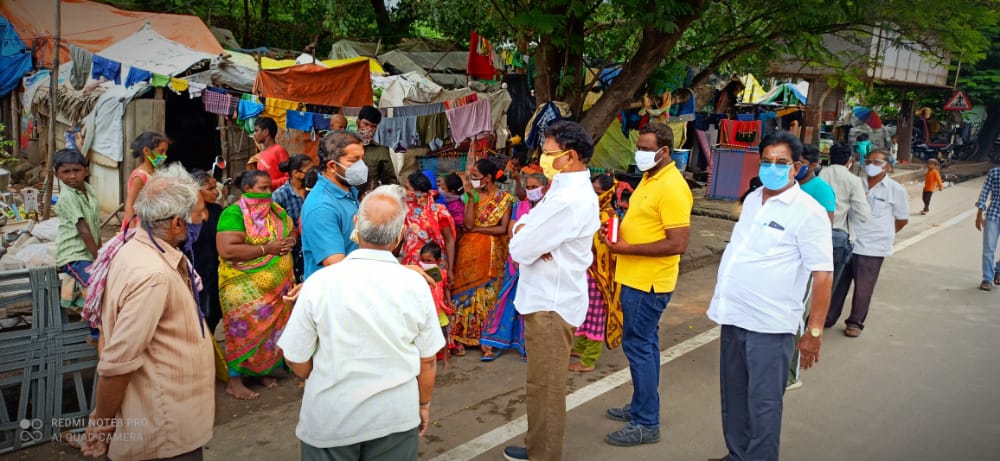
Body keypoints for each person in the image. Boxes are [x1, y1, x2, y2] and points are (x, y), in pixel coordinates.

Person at [277, 185, 444, 461]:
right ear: (401, 235)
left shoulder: (319, 283)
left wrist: (323, 376)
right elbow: (428, 360)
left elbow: (296, 358)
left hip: (330, 419)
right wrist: (423, 404)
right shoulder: (415, 284)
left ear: (356, 224)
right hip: (395, 418)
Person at [706, 132, 833, 461]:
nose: (772, 168)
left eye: (781, 162)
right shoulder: (752, 199)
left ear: (796, 167)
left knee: (763, 405)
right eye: (766, 161)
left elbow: (822, 275)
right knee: (733, 397)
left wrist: (814, 332)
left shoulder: (809, 212)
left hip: (770, 326)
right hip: (733, 316)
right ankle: (737, 454)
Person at [81, 164, 214, 461]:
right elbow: (117, 363)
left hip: (171, 417)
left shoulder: (136, 250)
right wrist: (102, 424)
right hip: (164, 431)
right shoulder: (152, 274)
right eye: (200, 210)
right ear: (178, 223)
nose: (204, 217)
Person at [502, 120, 600, 461]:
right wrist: (525, 232)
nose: (541, 160)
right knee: (539, 385)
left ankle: (543, 454)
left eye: (547, 153)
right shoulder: (561, 189)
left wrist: (525, 237)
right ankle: (536, 447)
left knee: (545, 388)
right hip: (545, 298)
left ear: (570, 156)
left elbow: (518, 249)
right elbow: (524, 228)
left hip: (551, 304)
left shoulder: (569, 199)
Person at [600, 121, 692, 447]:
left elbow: (677, 242)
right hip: (635, 276)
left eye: (646, 148)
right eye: (638, 147)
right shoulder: (651, 178)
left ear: (664, 151)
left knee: (638, 347)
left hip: (648, 283)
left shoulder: (673, 187)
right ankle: (641, 407)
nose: (639, 153)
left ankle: (646, 422)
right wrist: (618, 232)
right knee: (646, 345)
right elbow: (646, 223)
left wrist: (627, 248)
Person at [216, 170, 297, 400]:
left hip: (276, 289)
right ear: (248, 188)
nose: (268, 193)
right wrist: (267, 250)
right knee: (241, 332)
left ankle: (262, 371)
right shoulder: (233, 214)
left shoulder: (276, 211)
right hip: (243, 288)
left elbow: (290, 230)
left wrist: (290, 239)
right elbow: (228, 249)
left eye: (269, 188)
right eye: (263, 188)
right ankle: (235, 381)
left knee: (270, 333)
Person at [826, 150, 908, 337]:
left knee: (864, 287)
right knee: (838, 283)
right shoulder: (855, 183)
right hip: (849, 241)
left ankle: (855, 322)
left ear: (887, 166)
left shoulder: (895, 190)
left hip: (873, 246)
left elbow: (902, 219)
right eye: (869, 161)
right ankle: (828, 317)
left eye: (877, 162)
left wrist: (885, 234)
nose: (871, 165)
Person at [450, 159, 516, 357]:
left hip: (491, 252)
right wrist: (470, 198)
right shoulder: (470, 196)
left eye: (476, 177)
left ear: (487, 178)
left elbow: (503, 228)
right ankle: (459, 337)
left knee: (487, 295)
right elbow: (468, 225)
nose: (473, 180)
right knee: (463, 293)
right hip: (468, 251)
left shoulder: (505, 198)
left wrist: (480, 229)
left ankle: (485, 338)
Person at [481, 173, 549, 362]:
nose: (531, 190)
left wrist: (532, 248)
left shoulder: (550, 209)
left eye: (535, 186)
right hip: (517, 259)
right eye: (528, 186)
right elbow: (512, 231)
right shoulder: (520, 206)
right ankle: (495, 338)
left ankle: (529, 345)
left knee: (534, 302)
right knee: (509, 298)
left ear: (545, 188)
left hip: (538, 262)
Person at [570, 174, 621, 372]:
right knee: (582, 310)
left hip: (599, 274)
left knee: (595, 314)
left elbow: (609, 248)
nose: (593, 196)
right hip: (584, 270)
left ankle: (588, 360)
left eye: (597, 193)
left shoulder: (610, 217)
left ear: (607, 194)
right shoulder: (588, 212)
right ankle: (581, 348)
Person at [300, 131, 367, 280]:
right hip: (333, 294)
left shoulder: (349, 191)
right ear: (332, 166)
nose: (361, 166)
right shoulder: (322, 207)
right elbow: (337, 267)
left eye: (362, 159)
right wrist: (392, 272)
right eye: (354, 160)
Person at [54, 149, 101, 342]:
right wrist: (99, 258)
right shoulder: (67, 196)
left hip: (87, 253)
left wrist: (101, 253)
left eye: (76, 170)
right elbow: (84, 230)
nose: (72, 176)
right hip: (72, 255)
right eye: (66, 172)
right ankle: (95, 334)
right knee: (97, 288)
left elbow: (94, 226)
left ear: (86, 171)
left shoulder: (88, 191)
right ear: (57, 174)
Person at [190, 170, 224, 335]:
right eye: (210, 189)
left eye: (215, 187)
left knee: (215, 313)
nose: (215, 191)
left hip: (216, 270)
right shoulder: (187, 215)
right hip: (196, 271)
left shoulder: (217, 210)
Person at [401, 172, 457, 270]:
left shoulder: (439, 211)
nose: (404, 192)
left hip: (433, 266)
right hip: (411, 265)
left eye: (407, 188)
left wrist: (451, 270)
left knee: (433, 285)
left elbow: (449, 241)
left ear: (418, 192)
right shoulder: (405, 210)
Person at [273, 154, 314, 282]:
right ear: (296, 173)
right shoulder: (280, 196)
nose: (312, 174)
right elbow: (276, 227)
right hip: (293, 251)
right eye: (309, 171)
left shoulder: (313, 190)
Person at [123, 131, 170, 227]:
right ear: (146, 151)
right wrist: (133, 230)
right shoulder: (140, 177)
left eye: (165, 151)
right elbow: (129, 206)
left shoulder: (156, 172)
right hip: (140, 225)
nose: (164, 155)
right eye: (161, 151)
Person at [420, 242, 454, 369]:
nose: (425, 263)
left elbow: (446, 288)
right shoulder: (419, 273)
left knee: (444, 333)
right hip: (425, 309)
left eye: (429, 260)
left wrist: (449, 302)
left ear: (438, 260)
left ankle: (445, 360)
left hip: (439, 308)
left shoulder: (443, 273)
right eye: (423, 260)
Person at [357, 106, 399, 194]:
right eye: (366, 124)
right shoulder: (345, 145)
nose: (369, 129)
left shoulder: (381, 151)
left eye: (373, 126)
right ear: (358, 122)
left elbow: (390, 180)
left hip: (370, 198)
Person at [796, 144, 836, 222]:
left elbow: (827, 222)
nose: (796, 166)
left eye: (801, 162)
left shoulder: (823, 189)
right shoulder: (789, 183)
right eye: (795, 161)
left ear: (813, 166)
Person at [976, 165, 1000, 291]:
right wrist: (979, 215)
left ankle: (999, 269)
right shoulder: (994, 172)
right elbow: (984, 192)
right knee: (989, 249)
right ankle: (987, 278)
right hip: (994, 215)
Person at [253, 117, 291, 189]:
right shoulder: (262, 152)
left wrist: (269, 184)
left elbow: (289, 178)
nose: (254, 134)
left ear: (266, 132)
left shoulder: (279, 151)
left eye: (256, 131)